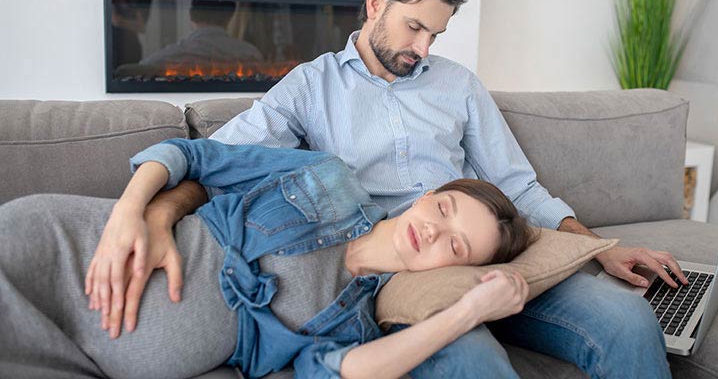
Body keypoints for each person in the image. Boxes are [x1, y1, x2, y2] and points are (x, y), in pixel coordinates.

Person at [91, 0, 688, 377]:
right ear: (375, 4)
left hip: (482, 242)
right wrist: (156, 214)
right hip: (398, 268)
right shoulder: (310, 86)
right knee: (471, 359)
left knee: (628, 319)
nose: (424, 47)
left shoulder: (456, 85)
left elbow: (518, 184)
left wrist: (595, 248)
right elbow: (218, 159)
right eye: (414, 28)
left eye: (436, 34)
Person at [0, 138, 533, 378]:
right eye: (443, 207)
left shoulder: (358, 320)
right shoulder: (331, 177)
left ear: (455, 270)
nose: (433, 230)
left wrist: (469, 311)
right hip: (62, 249)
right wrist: (130, 214)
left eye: (455, 246)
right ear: (426, 194)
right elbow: (195, 156)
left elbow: (348, 372)